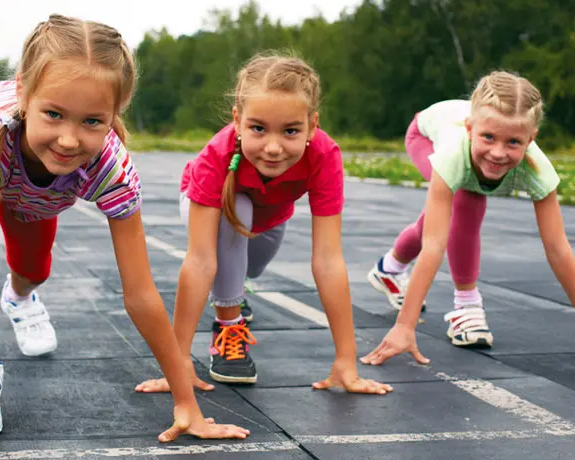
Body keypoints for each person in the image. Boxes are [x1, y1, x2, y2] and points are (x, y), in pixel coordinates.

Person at [0, 14, 249, 455]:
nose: (68, 139)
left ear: (115, 114)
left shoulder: (112, 168)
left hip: (35, 187)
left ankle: (20, 296)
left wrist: (187, 403)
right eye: (53, 114)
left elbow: (140, 292)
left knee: (33, 270)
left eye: (91, 121)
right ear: (25, 93)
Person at [135, 52, 392, 395]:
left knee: (246, 270)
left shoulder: (324, 156)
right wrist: (177, 361)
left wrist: (347, 359)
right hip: (210, 207)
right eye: (258, 128)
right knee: (233, 225)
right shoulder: (217, 156)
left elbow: (328, 260)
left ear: (312, 126)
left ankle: (234, 292)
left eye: (290, 131)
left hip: (270, 218)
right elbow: (199, 261)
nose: (273, 147)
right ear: (238, 121)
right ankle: (229, 327)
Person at [361, 70, 575, 365]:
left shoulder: (537, 169)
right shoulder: (453, 154)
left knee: (444, 211)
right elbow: (433, 244)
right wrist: (404, 326)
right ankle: (465, 307)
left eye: (513, 143)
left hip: (458, 130)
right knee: (465, 201)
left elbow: (558, 248)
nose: (498, 153)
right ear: (470, 129)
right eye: (489, 137)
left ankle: (389, 268)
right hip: (424, 134)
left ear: (531, 139)